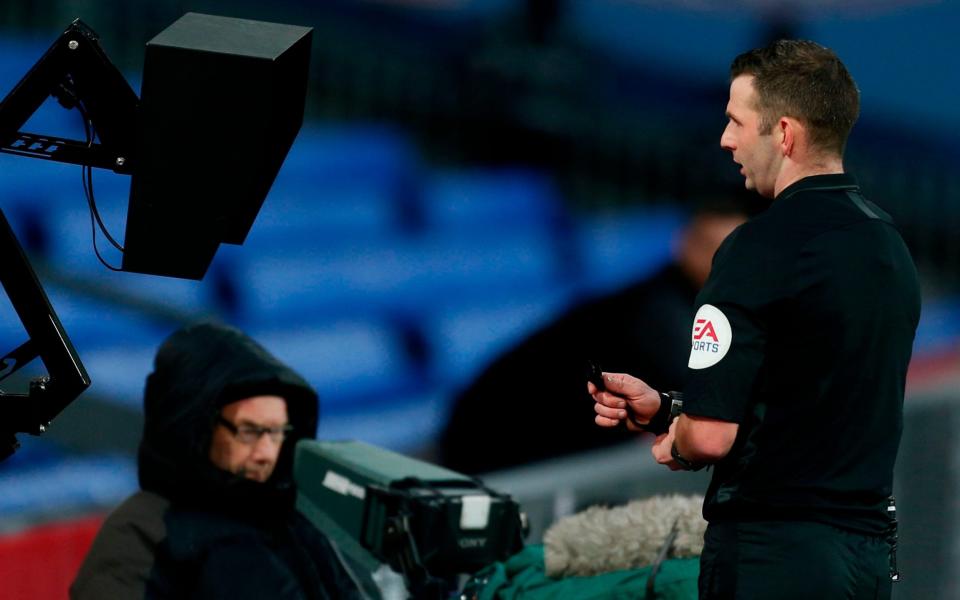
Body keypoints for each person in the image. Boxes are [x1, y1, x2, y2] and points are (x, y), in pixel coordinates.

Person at [590, 40, 920, 599]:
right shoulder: (889, 247)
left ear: (785, 135)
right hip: (865, 562)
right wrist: (670, 409)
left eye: (736, 122)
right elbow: (804, 402)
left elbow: (713, 438)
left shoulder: (756, 248)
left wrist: (681, 439)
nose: (725, 140)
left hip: (772, 558)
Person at [439, 195, 749, 474]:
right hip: (510, 449)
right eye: (711, 249)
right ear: (683, 243)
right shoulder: (660, 316)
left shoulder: (706, 305)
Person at [70, 322, 367, 600]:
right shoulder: (140, 534)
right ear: (198, 427)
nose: (266, 452)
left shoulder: (297, 522)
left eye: (277, 433)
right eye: (249, 431)